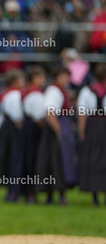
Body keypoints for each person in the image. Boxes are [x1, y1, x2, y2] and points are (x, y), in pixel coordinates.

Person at [36, 66, 77, 205]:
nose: (67, 79)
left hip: (61, 125)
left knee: (60, 161)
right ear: (57, 76)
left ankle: (58, 194)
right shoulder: (54, 91)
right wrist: (59, 131)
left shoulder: (61, 90)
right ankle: (56, 194)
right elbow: (50, 112)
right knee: (56, 162)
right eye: (64, 76)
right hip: (56, 129)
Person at [13, 66, 47, 203]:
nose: (44, 80)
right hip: (34, 128)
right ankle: (30, 192)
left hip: (26, 127)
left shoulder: (24, 91)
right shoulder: (36, 94)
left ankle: (21, 191)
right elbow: (39, 116)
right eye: (41, 77)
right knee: (32, 160)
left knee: (24, 159)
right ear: (35, 78)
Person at [0, 69, 25, 200]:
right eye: (21, 79)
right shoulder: (14, 95)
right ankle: (14, 191)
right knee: (15, 158)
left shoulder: (5, 93)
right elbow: (17, 116)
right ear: (14, 81)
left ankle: (13, 190)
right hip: (13, 129)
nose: (23, 82)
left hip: (6, 127)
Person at [77, 64, 106, 206]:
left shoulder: (86, 91)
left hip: (93, 127)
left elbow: (82, 114)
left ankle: (95, 195)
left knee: (93, 159)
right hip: (101, 126)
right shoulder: (87, 91)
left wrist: (82, 133)